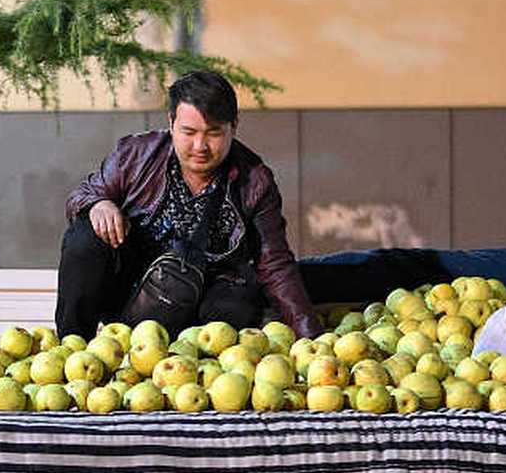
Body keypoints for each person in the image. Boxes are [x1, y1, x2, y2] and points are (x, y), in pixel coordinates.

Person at [57, 70, 324, 340]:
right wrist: (98, 203)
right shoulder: (135, 154)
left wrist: (310, 337)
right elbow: (82, 194)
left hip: (207, 296)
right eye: (188, 132)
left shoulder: (255, 180)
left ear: (234, 126)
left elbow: (275, 264)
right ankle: (72, 344)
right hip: (130, 291)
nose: (200, 146)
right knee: (84, 238)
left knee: (236, 306)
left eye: (213, 133)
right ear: (171, 122)